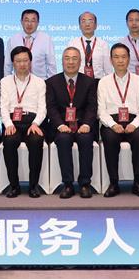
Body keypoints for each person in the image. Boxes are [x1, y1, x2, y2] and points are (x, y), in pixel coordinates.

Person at [97, 43, 139, 197]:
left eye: (123, 57)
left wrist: (134, 124)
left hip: (134, 122)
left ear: (129, 59)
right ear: (110, 60)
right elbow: (101, 110)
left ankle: (137, 183)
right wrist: (113, 125)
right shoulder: (103, 82)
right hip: (111, 122)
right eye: (116, 57)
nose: (120, 60)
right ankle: (114, 183)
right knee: (109, 138)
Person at [45, 47, 98, 199]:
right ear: (62, 61)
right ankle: (68, 184)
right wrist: (60, 125)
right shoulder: (52, 82)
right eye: (67, 58)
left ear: (80, 62)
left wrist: (86, 124)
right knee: (63, 139)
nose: (71, 62)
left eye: (74, 58)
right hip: (61, 125)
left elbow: (92, 106)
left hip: (82, 125)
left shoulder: (89, 82)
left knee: (86, 139)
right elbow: (51, 107)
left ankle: (85, 184)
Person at [0, 46, 47, 198]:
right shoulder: (5, 82)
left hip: (32, 122)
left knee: (36, 141)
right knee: (9, 142)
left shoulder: (39, 82)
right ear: (13, 63)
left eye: (25, 60)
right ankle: (14, 186)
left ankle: (33, 186)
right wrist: (8, 124)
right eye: (18, 61)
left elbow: (42, 108)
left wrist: (36, 123)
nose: (22, 64)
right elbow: (3, 107)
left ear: (30, 62)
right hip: (12, 122)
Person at [6, 9, 56, 79]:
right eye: (26, 20)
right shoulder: (13, 40)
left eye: (33, 21)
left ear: (38, 23)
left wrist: (50, 83)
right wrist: (8, 81)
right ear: (21, 22)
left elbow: (51, 65)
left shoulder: (46, 39)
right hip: (18, 82)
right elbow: (7, 65)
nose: (29, 24)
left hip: (41, 82)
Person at [66, 11, 112, 79]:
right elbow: (68, 67)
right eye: (83, 21)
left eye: (90, 21)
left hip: (98, 82)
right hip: (79, 82)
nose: (87, 24)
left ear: (96, 26)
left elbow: (108, 69)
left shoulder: (103, 44)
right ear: (79, 26)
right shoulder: (72, 44)